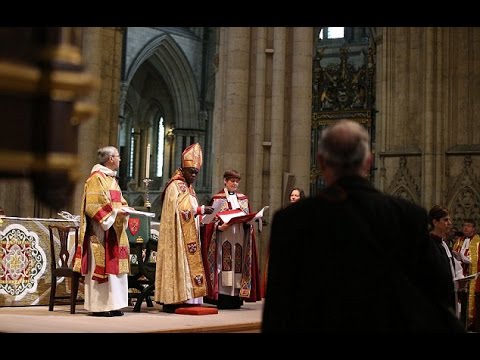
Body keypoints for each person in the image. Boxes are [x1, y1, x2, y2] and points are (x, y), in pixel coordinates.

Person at [262, 119, 464, 332]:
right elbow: (438, 292)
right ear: (369, 161)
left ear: (321, 162)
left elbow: (279, 309)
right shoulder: (407, 216)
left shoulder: (292, 220)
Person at [154, 143, 214, 313]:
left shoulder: (189, 187)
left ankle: (189, 298)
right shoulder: (176, 186)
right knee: (180, 264)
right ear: (183, 169)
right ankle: (175, 298)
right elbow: (180, 209)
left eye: (196, 173)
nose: (194, 176)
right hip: (177, 238)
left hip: (189, 234)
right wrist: (200, 210)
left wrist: (203, 216)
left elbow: (191, 208)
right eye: (192, 172)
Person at [73, 146, 130, 317]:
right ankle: (100, 307)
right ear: (111, 158)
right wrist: (114, 212)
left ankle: (114, 305)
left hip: (115, 230)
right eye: (118, 156)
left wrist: (126, 209)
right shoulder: (96, 178)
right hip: (100, 232)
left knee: (116, 270)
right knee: (101, 269)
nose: (120, 159)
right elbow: (93, 205)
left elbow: (121, 201)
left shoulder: (111, 179)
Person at [201, 169, 262, 309]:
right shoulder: (218, 198)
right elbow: (209, 221)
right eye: (232, 181)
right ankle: (222, 297)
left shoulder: (243, 199)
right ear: (225, 181)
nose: (235, 184)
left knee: (238, 265)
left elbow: (247, 216)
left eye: (237, 181)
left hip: (240, 237)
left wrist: (250, 221)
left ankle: (236, 297)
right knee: (223, 265)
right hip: (224, 238)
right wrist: (217, 227)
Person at [428, 205, 464, 318]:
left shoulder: (444, 244)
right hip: (435, 299)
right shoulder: (428, 244)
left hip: (448, 297)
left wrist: (460, 279)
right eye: (445, 220)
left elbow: (452, 267)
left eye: (449, 220)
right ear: (435, 222)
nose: (449, 223)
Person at [455, 219, 480, 331]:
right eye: (464, 225)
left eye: (468, 226)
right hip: (461, 277)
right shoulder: (459, 241)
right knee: (461, 302)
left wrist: (466, 259)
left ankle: (471, 325)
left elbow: (475, 260)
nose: (465, 228)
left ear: (474, 228)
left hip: (472, 277)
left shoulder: (478, 241)